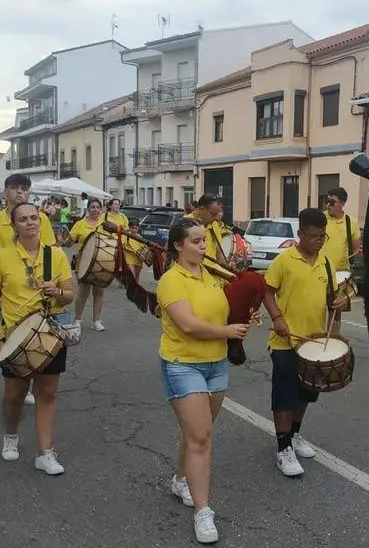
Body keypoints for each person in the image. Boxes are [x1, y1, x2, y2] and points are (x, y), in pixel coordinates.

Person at [156, 218, 251, 544]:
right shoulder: (171, 280)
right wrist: (226, 332)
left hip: (216, 364)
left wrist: (243, 317)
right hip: (183, 364)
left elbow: (222, 313)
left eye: (203, 241)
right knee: (201, 437)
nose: (202, 246)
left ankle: (181, 479)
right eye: (195, 241)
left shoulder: (211, 276)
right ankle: (203, 512)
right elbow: (188, 325)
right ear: (179, 245)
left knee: (196, 432)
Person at [0, 202, 74, 476]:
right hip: (14, 335)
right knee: (15, 396)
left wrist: (56, 292)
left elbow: (70, 294)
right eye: (23, 219)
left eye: (34, 217)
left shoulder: (54, 255)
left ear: (41, 221)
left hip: (48, 332)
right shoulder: (3, 256)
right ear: (14, 225)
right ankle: (11, 434)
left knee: (47, 393)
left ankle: (45, 453)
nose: (30, 222)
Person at [263, 208, 349, 476]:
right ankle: (283, 447)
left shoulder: (325, 261)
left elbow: (331, 298)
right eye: (313, 236)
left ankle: (295, 434)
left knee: (306, 392)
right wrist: (277, 317)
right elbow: (267, 290)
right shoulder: (284, 260)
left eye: (322, 237)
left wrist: (339, 304)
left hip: (313, 342)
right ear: (300, 233)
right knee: (285, 396)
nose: (318, 241)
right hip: (285, 341)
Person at [0, 173, 57, 406]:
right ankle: (18, 382)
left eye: (24, 188)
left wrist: (49, 280)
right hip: (8, 285)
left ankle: (32, 385)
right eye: (14, 188)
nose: (20, 192)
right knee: (13, 333)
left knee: (39, 336)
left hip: (37, 287)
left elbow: (50, 250)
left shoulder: (39, 218)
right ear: (5, 191)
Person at [65, 198, 110, 331]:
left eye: (98, 207)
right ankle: (78, 319)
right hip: (83, 262)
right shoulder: (80, 224)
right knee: (83, 292)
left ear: (101, 209)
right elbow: (69, 242)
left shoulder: (106, 224)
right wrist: (64, 240)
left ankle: (97, 321)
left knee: (99, 292)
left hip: (102, 262)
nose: (95, 210)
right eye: (92, 207)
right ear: (88, 209)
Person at [323, 187, 361, 272]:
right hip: (320, 271)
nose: (328, 205)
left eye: (332, 202)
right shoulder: (320, 218)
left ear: (342, 203)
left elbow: (356, 248)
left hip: (341, 274)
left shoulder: (351, 222)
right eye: (327, 201)